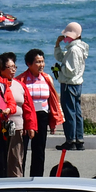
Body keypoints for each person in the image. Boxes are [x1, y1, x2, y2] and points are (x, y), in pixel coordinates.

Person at [19, 47, 63, 177]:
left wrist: (54, 120)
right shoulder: (21, 79)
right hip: (26, 117)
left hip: (42, 116)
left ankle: (36, 178)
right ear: (29, 64)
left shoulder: (47, 78)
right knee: (23, 149)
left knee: (39, 150)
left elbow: (53, 100)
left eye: (42, 61)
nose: (41, 65)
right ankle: (19, 176)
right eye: (38, 62)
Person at [0, 53, 36, 177]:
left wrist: (30, 126)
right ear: (2, 68)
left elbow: (28, 107)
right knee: (2, 159)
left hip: (18, 127)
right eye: (10, 67)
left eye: (15, 67)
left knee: (17, 159)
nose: (13, 70)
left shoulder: (19, 85)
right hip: (2, 127)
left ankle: (17, 181)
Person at [55, 22, 88, 151]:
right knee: (77, 112)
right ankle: (79, 139)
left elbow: (70, 70)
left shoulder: (73, 50)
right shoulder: (78, 48)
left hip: (69, 84)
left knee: (69, 112)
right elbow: (61, 57)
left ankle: (70, 140)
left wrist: (59, 69)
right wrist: (57, 45)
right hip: (77, 83)